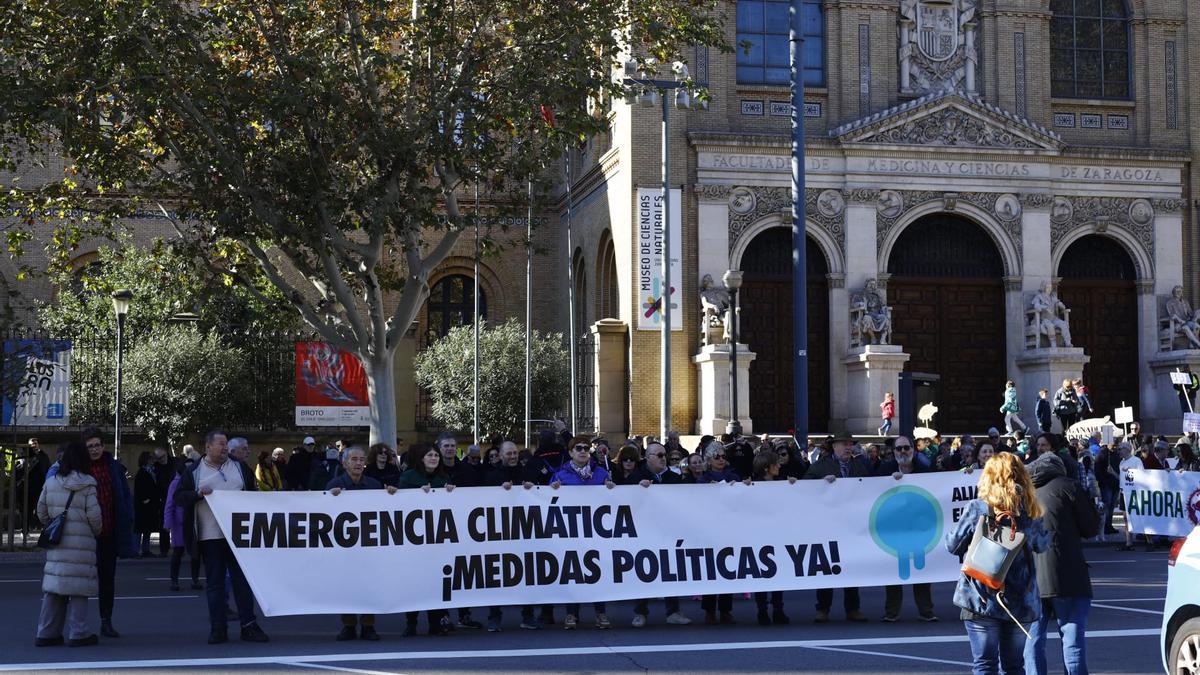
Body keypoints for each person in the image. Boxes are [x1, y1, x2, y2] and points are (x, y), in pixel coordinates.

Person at [946, 453, 1050, 675]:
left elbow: (953, 545)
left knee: (985, 664)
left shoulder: (977, 508)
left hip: (980, 595)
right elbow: (1042, 545)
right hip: (1020, 599)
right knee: (1014, 666)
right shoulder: (1030, 511)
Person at [174, 429, 269, 645]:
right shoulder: (194, 471)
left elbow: (253, 495)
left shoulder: (239, 467)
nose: (225, 447)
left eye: (226, 444)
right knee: (215, 584)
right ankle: (218, 628)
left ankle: (249, 626)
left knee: (242, 582)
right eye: (220, 444)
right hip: (210, 536)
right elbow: (179, 497)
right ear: (208, 447)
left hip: (238, 536)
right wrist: (197, 495)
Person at [1025, 452, 1099, 675]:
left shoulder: (1027, 493)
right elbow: (1090, 528)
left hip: (1032, 577)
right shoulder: (1069, 486)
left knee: (1034, 639)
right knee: (1072, 640)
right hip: (1068, 573)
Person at [34, 441, 103, 647]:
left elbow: (41, 511)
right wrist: (94, 531)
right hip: (81, 545)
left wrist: (54, 525)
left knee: (54, 587)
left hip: (58, 542)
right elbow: (95, 517)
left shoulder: (52, 481)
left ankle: (46, 632)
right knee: (78, 588)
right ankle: (78, 632)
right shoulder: (88, 483)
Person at [68, 428, 134, 639]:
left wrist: (127, 520)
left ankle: (106, 621)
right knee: (81, 581)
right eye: (90, 446)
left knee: (107, 580)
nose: (95, 449)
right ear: (84, 449)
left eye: (97, 445)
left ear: (103, 446)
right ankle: (78, 625)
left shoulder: (113, 466)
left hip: (109, 532)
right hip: (85, 535)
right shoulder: (79, 469)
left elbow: (124, 495)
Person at [327, 446, 398, 641]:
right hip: (345, 545)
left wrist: (391, 495)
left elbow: (387, 509)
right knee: (346, 585)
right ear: (345, 463)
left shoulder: (374, 485)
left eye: (361, 459)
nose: (358, 463)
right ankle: (348, 625)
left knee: (369, 584)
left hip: (369, 544)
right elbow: (323, 513)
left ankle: (368, 625)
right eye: (354, 459)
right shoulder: (334, 485)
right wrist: (328, 499)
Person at [550, 437, 615, 630]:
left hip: (596, 532)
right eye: (578, 448)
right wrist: (551, 489)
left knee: (597, 571)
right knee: (574, 572)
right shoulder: (561, 475)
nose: (583, 451)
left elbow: (614, 499)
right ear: (570, 452)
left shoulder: (601, 473)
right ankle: (571, 613)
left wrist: (612, 488)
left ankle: (600, 612)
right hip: (571, 533)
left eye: (586, 448)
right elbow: (547, 500)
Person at [805, 428, 868, 623]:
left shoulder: (859, 466)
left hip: (852, 525)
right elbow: (804, 487)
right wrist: (821, 485)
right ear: (834, 446)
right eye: (845, 444)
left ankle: (853, 608)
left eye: (851, 444)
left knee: (852, 567)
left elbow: (872, 486)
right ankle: (823, 608)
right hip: (828, 525)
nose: (849, 447)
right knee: (826, 567)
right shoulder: (820, 466)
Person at [874, 436, 938, 623]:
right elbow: (870, 491)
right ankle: (892, 611)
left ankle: (926, 610)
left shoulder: (925, 471)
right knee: (895, 570)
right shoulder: (884, 471)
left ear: (913, 450)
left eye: (907, 448)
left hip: (918, 528)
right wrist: (889, 482)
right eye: (899, 449)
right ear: (893, 452)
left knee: (922, 570)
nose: (903, 452)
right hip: (894, 528)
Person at [628, 442, 690, 627]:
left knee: (671, 570)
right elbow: (622, 498)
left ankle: (673, 611)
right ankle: (640, 612)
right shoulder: (636, 477)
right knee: (644, 570)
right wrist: (636, 488)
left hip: (668, 532)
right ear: (648, 458)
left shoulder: (674, 478)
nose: (664, 458)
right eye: (659, 455)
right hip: (644, 532)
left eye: (664, 455)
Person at [398, 445, 454, 636]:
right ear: (421, 458)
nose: (433, 458)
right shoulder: (408, 477)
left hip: (438, 539)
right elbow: (400, 502)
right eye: (429, 454)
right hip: (414, 539)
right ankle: (411, 622)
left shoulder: (444, 478)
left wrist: (452, 492)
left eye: (436, 455)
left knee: (435, 582)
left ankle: (436, 621)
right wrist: (415, 495)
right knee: (414, 581)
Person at [749, 450, 794, 625]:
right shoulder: (752, 486)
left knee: (778, 573)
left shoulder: (780, 484)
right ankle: (762, 610)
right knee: (762, 574)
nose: (779, 465)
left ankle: (777, 609)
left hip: (777, 535)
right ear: (767, 468)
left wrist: (793, 486)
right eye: (776, 463)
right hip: (759, 536)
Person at [162, 471, 202, 592]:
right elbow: (170, 503)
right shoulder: (176, 483)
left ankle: (195, 579)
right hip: (180, 522)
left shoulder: (196, 480)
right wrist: (168, 522)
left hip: (192, 520)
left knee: (195, 553)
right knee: (178, 552)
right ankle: (175, 580)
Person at [133, 451, 162, 558]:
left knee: (147, 528)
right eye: (150, 458)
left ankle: (146, 549)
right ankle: (135, 550)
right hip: (143, 505)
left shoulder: (151, 471)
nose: (152, 461)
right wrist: (146, 499)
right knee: (140, 528)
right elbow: (140, 489)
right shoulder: (142, 472)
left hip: (150, 505)